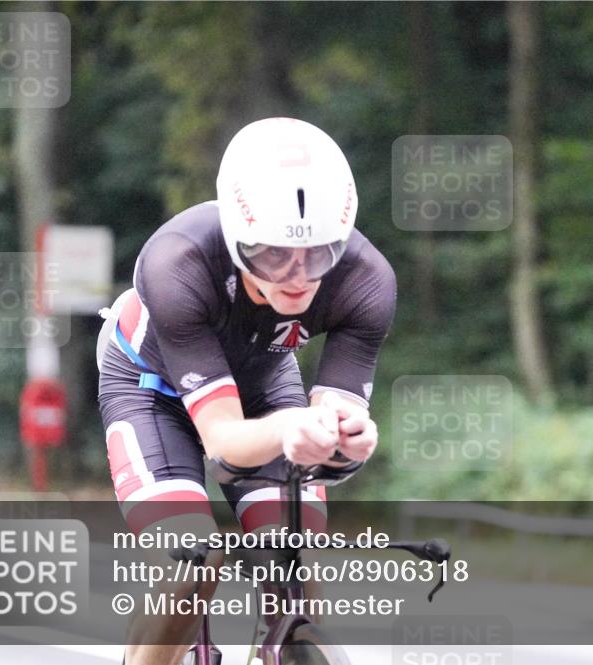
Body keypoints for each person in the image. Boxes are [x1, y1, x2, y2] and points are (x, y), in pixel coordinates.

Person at [96, 117, 396, 665]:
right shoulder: (178, 261)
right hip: (152, 390)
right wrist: (290, 428)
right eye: (272, 255)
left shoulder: (365, 280)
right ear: (237, 239)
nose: (297, 277)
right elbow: (225, 445)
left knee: (296, 571)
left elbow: (328, 432)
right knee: (190, 567)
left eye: (318, 254)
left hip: (265, 384)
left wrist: (345, 442)